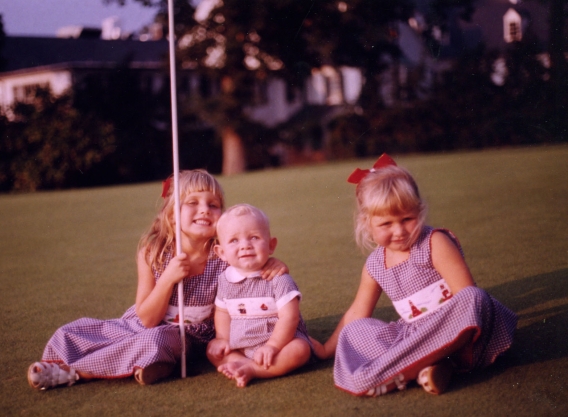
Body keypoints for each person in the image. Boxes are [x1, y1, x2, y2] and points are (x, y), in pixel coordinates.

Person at [27, 170, 288, 390]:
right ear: (173, 214)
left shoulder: (224, 254)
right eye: (193, 203)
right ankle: (146, 364)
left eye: (213, 204)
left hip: (192, 336)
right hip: (145, 322)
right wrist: (168, 279)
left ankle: (74, 372)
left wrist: (273, 263)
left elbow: (255, 262)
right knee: (76, 331)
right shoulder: (153, 252)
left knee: (156, 341)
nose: (204, 210)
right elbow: (147, 319)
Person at [312, 154, 517, 396]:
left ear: (419, 212)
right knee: (354, 330)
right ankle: (436, 366)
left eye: (407, 219)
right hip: (414, 337)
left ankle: (388, 376)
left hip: (462, 336)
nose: (399, 231)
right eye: (386, 224)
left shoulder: (434, 242)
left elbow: (465, 295)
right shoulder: (375, 265)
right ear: (367, 223)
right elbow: (358, 312)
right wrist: (326, 350)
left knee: (474, 297)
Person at [207, 204, 313, 388]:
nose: (245, 245)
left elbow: (290, 317)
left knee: (300, 350)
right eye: (234, 241)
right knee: (212, 351)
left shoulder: (279, 279)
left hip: (279, 344)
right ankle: (240, 363)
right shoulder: (225, 280)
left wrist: (273, 346)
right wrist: (222, 338)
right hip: (241, 346)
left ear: (271, 245)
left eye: (254, 237)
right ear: (221, 253)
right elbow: (222, 312)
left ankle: (254, 370)